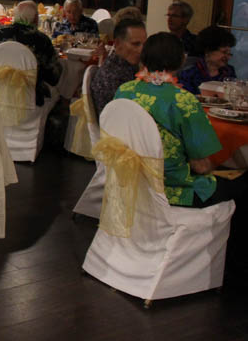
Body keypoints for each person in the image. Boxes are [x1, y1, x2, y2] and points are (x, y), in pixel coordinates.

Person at [114, 32, 245, 208]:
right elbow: (201, 166)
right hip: (176, 191)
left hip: (131, 180)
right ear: (181, 60)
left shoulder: (124, 91)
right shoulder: (183, 100)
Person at [0, 0, 62, 106]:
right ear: (35, 18)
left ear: (15, 16)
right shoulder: (42, 40)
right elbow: (54, 77)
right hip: (31, 99)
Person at [89, 18, 146, 116]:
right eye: (135, 44)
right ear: (117, 43)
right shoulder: (113, 75)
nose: (142, 49)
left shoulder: (127, 65)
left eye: (144, 44)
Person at [179, 26, 237, 95]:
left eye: (229, 53)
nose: (228, 57)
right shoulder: (190, 72)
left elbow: (233, 95)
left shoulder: (229, 71)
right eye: (224, 52)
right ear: (208, 51)